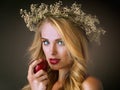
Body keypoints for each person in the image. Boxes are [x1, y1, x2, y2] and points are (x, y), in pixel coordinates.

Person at [20, 1, 105, 90]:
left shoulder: (88, 85)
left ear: (75, 44)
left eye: (61, 42)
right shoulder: (41, 84)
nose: (52, 52)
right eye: (46, 42)